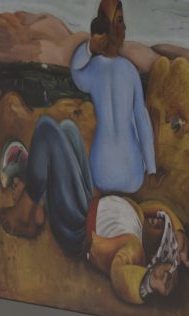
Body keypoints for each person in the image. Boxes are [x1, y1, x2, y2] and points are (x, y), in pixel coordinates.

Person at [0, 119, 189, 304]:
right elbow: (160, 208)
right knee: (69, 129)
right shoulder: (140, 217)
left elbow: (120, 278)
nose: (158, 221)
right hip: (85, 203)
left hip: (77, 228)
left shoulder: (133, 249)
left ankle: (24, 215)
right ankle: (41, 202)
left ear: (153, 251)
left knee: (46, 130)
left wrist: (148, 282)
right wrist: (180, 236)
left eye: (160, 231)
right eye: (162, 223)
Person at [70, 0, 157, 195]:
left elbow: (75, 71)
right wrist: (151, 168)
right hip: (132, 174)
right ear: (106, 29)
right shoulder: (130, 70)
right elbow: (141, 121)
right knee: (140, 116)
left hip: (100, 172)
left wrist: (88, 49)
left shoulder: (92, 70)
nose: (124, 27)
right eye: (119, 21)